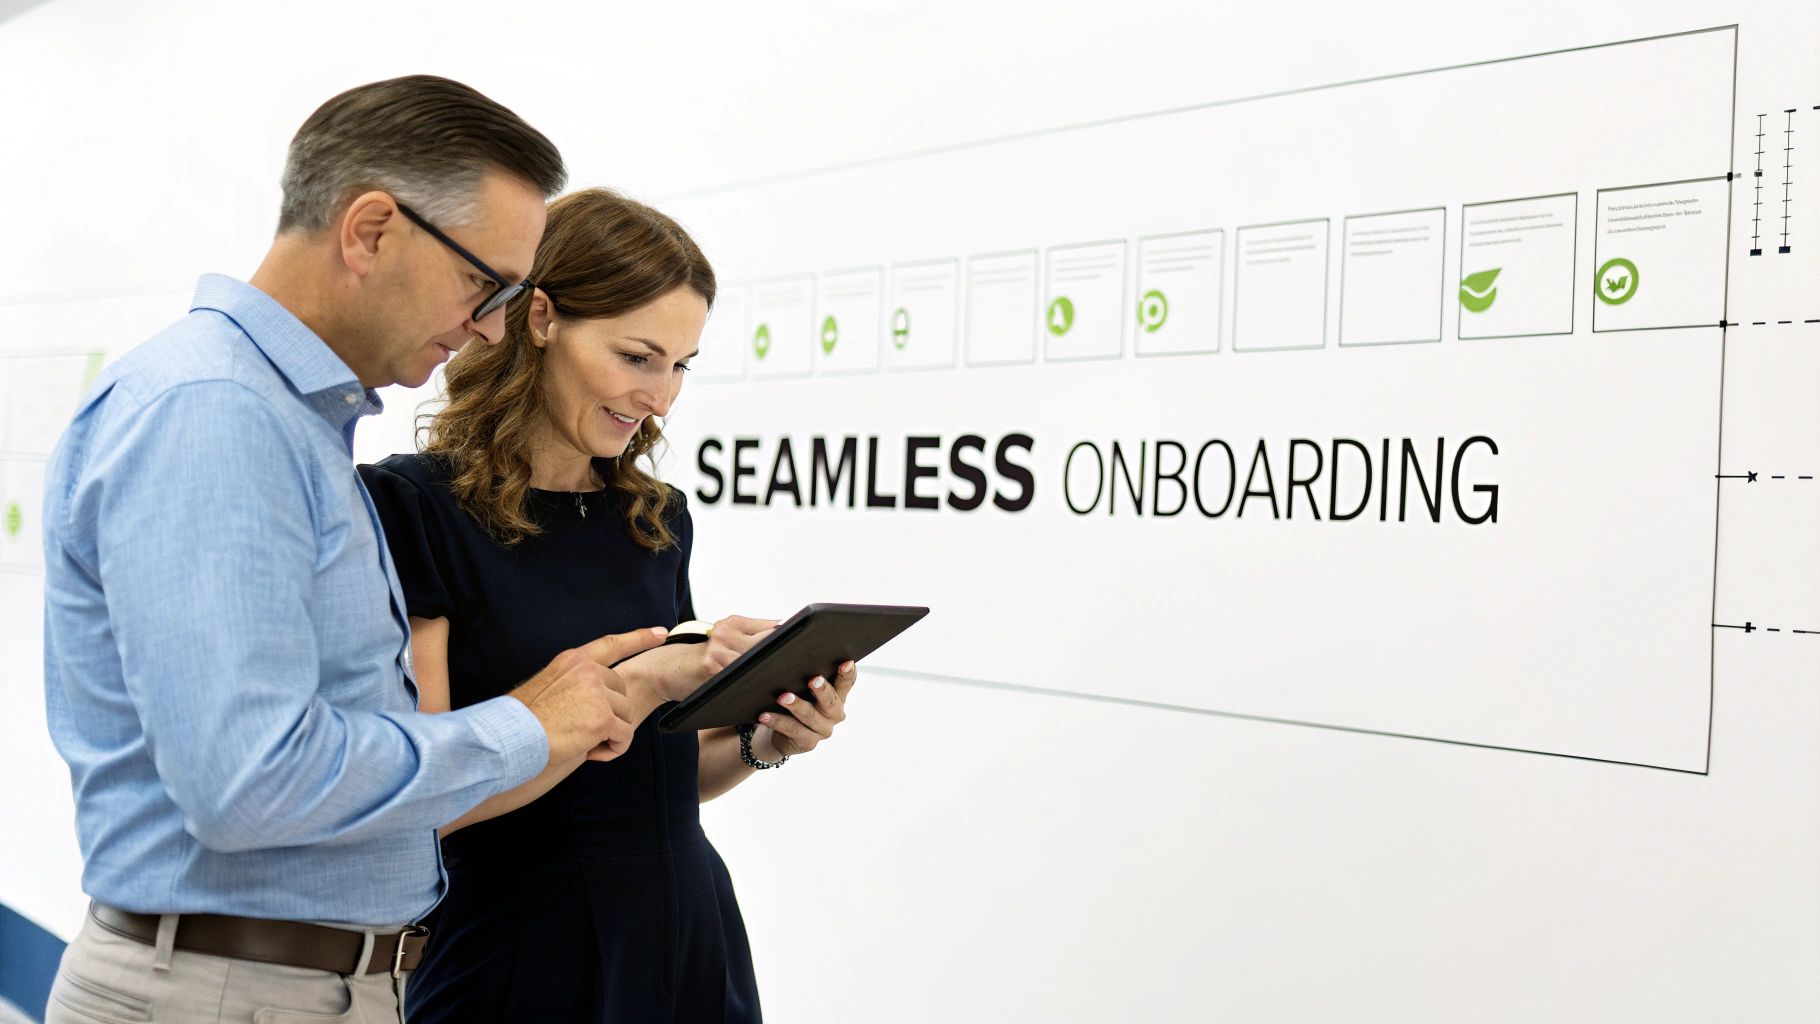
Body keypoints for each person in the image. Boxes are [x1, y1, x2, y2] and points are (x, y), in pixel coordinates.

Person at [41, 77, 669, 1024]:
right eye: (483, 285)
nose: (491, 328)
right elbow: (250, 783)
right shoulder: (216, 415)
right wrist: (525, 725)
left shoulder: (277, 421)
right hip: (232, 995)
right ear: (372, 229)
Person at [358, 187, 859, 1022]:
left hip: (686, 942)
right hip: (516, 957)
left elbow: (663, 776)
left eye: (681, 366)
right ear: (543, 318)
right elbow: (424, 805)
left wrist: (765, 742)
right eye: (638, 357)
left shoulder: (655, 517)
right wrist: (651, 680)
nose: (661, 398)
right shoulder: (415, 505)